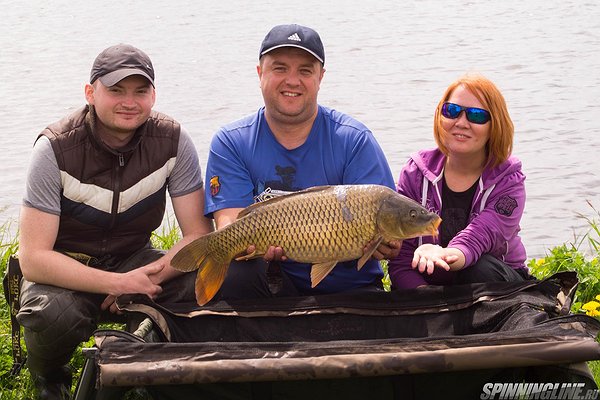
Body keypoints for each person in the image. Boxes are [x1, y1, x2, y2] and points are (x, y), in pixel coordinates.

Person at [16, 44, 213, 399]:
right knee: (49, 314)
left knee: (200, 281)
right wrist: (117, 283)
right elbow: (34, 258)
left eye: (141, 91)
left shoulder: (173, 140)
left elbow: (198, 235)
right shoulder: (55, 148)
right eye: (116, 90)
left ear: (153, 95)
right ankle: (51, 379)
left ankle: (148, 366)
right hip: (68, 264)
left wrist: (148, 277)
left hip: (135, 257)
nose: (129, 101)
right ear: (90, 92)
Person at [204, 24, 400, 300]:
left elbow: (389, 228)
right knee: (237, 274)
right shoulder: (231, 141)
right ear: (260, 74)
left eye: (305, 70)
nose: (292, 80)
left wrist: (388, 244)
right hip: (273, 282)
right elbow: (230, 225)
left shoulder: (354, 139)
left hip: (351, 288)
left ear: (321, 77)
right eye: (280, 68)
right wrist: (249, 246)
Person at [388, 74, 530, 290]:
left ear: (495, 125)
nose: (462, 123)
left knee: (479, 268)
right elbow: (402, 261)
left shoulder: (509, 180)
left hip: (496, 284)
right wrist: (427, 301)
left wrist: (442, 255)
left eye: (477, 116)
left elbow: (482, 235)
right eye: (452, 111)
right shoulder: (415, 173)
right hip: (433, 286)